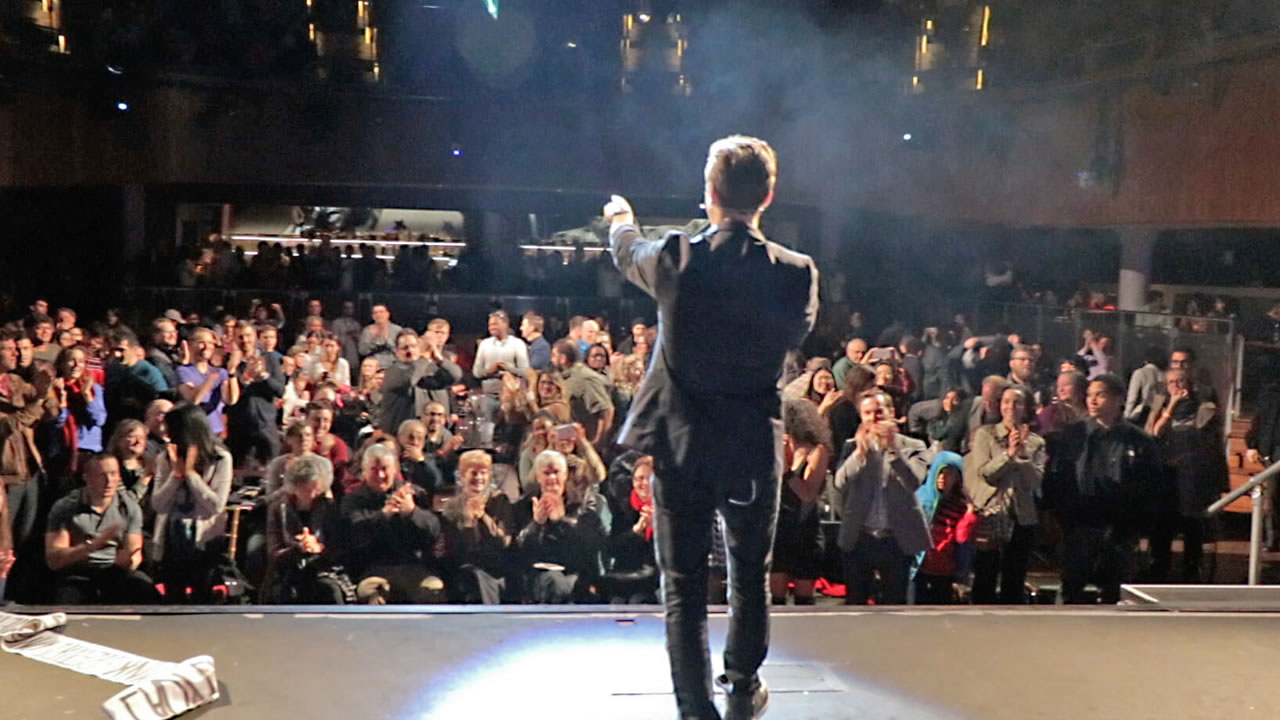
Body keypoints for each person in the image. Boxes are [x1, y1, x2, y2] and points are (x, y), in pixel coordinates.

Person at [604, 134, 819, 720]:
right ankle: (743, 686)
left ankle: (696, 710)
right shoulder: (795, 273)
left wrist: (621, 219)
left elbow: (628, 251)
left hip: (682, 445)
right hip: (750, 445)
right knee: (750, 572)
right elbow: (794, 336)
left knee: (683, 586)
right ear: (767, 196)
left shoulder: (677, 259)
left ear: (709, 192)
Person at [1044, 374, 1161, 604]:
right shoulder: (1074, 434)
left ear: (1119, 399)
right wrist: (1058, 515)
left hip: (1120, 529)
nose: (1093, 400)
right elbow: (1057, 476)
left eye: (1100, 394)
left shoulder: (1138, 440)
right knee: (1071, 588)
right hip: (1079, 524)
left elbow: (1151, 486)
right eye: (1089, 395)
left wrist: (1138, 526)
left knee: (1114, 591)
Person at [833, 389, 932, 606]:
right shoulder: (852, 446)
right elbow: (839, 483)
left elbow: (913, 482)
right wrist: (860, 453)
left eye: (879, 412)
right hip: (860, 536)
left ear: (891, 413)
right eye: (867, 413)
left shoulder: (914, 446)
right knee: (855, 603)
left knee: (895, 604)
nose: (874, 418)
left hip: (896, 539)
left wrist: (893, 450)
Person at [964, 386, 1045, 604]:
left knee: (1014, 579)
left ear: (1026, 408)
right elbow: (986, 473)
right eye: (1006, 402)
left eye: (1017, 402)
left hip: (1022, 517)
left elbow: (1034, 481)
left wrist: (1023, 454)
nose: (1010, 407)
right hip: (992, 513)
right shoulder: (985, 435)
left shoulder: (1036, 442)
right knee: (985, 577)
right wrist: (1008, 455)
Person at [1145, 368, 1227, 582]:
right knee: (1162, 527)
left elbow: (1213, 445)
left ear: (1189, 383)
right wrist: (1170, 405)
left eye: (1180, 380)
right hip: (1166, 476)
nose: (1176, 386)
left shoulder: (1204, 409)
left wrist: (1218, 481)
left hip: (1193, 476)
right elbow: (1155, 432)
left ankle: (1192, 572)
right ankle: (1158, 570)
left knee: (1192, 527)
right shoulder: (1160, 407)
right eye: (1171, 382)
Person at [44, 454, 159, 604]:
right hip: (77, 571)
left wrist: (129, 562)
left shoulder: (129, 507)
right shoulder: (66, 507)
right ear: (87, 478)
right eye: (102, 476)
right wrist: (90, 547)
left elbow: (135, 551)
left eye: (113, 474)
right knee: (68, 599)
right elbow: (54, 559)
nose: (109, 481)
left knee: (144, 589)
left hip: (114, 570)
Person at [339, 444, 444, 604]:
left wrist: (412, 512)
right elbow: (354, 534)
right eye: (374, 469)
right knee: (372, 596)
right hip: (372, 568)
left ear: (395, 469)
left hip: (412, 567)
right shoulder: (353, 499)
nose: (380, 475)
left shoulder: (414, 493)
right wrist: (384, 514)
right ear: (364, 471)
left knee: (434, 590)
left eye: (385, 469)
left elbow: (434, 531)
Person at [150, 404, 234, 602]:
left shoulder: (221, 459)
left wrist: (191, 475)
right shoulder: (165, 458)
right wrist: (176, 476)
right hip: (172, 537)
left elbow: (216, 506)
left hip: (204, 541)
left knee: (201, 596)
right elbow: (158, 504)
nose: (168, 437)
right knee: (173, 598)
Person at [263, 454, 348, 604]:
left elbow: (338, 549)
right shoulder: (278, 508)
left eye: (318, 489)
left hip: (322, 570)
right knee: (283, 592)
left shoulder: (329, 507)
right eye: (309, 489)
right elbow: (274, 553)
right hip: (286, 571)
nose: (315, 494)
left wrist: (319, 547)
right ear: (295, 486)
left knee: (328, 590)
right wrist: (299, 549)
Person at [771, 400, 830, 606]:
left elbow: (807, 494)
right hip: (777, 528)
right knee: (775, 596)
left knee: (804, 597)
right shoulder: (774, 447)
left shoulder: (817, 451)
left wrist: (786, 468)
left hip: (804, 529)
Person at [440, 450, 516, 604]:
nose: (479, 478)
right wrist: (468, 523)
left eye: (483, 473)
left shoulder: (500, 500)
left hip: (494, 568)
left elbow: (502, 542)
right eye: (473, 473)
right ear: (462, 476)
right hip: (464, 568)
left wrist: (483, 517)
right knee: (471, 577)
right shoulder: (451, 507)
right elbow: (455, 552)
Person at [358, 304, 402, 369]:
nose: (379, 315)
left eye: (381, 312)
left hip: (394, 365)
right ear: (372, 316)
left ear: (387, 314)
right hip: (374, 366)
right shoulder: (367, 330)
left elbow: (402, 349)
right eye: (375, 313)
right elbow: (362, 351)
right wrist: (374, 340)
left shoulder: (397, 330)